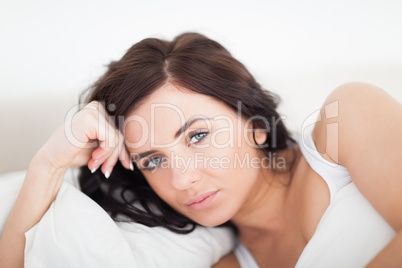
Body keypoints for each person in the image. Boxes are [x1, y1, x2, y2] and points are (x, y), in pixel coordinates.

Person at [0, 32, 401, 267]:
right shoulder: (223, 263)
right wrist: (47, 165)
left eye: (197, 136)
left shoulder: (347, 117)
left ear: (256, 124)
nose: (183, 179)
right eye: (153, 160)